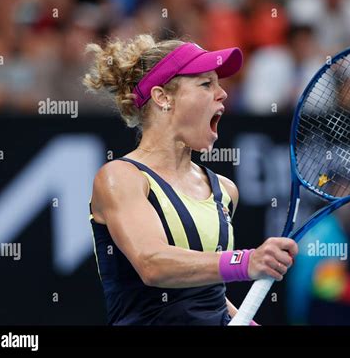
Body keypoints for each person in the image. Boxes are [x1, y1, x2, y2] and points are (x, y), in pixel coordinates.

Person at [84, 34, 298, 325]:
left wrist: (244, 321)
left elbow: (204, 293)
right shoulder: (120, 178)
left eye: (219, 83)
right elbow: (153, 264)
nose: (222, 94)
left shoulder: (224, 190)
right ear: (163, 97)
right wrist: (246, 262)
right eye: (206, 84)